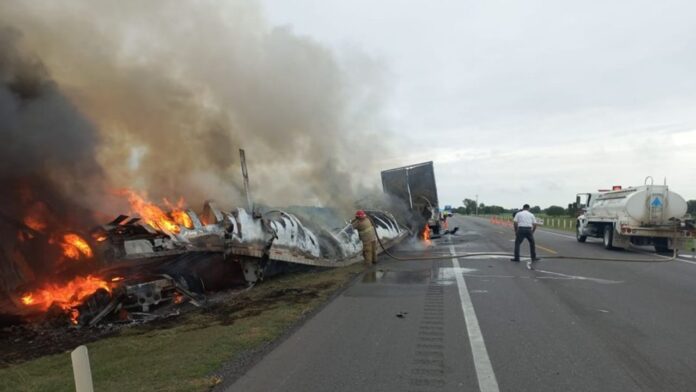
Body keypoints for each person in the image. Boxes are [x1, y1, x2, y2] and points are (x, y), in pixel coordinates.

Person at [511, 204, 541, 269]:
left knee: (517, 244)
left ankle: (517, 258)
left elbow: (515, 223)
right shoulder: (531, 214)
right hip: (529, 229)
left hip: (521, 229)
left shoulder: (518, 214)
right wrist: (532, 232)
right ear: (528, 208)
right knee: (532, 243)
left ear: (523, 208)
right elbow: (535, 224)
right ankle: (533, 257)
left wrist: (516, 231)